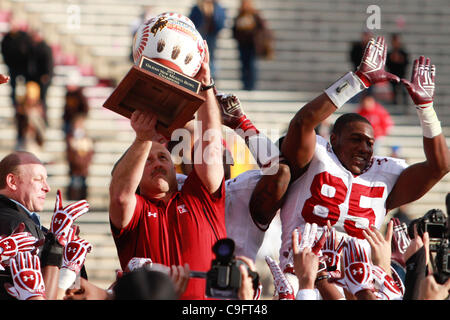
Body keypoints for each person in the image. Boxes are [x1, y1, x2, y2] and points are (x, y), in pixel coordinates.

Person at [271, 36, 449, 291]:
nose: (364, 148)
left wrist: (426, 109)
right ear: (333, 139)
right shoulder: (315, 156)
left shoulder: (384, 173)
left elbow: (439, 167)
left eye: (369, 142)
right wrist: (358, 80)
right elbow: (301, 123)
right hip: (302, 280)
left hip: (360, 287)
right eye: (356, 139)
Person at [108, 40, 226, 300]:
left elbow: (211, 145)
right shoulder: (134, 212)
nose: (158, 162)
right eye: (147, 161)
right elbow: (120, 194)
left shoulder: (200, 197)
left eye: (162, 157)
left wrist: (206, 85)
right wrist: (142, 139)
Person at [0, 150, 90, 300]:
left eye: (46, 179)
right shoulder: (20, 224)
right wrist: (59, 251)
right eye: (38, 179)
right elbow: (66, 294)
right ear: (12, 182)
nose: (47, 188)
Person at [232, 0, 268, 90]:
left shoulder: (255, 15)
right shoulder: (239, 15)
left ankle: (251, 85)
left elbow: (262, 28)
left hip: (252, 44)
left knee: (251, 65)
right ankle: (245, 84)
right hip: (242, 44)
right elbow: (234, 29)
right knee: (244, 65)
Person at [189, 0, 226, 78]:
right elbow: (192, 20)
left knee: (211, 58)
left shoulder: (217, 7)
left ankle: (211, 77)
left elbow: (220, 21)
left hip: (212, 36)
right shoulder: (197, 7)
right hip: (200, 36)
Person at [0, 19, 33, 108]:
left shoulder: (24, 36)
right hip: (12, 66)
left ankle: (25, 102)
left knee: (26, 84)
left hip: (24, 66)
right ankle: (14, 103)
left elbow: (30, 50)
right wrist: (8, 62)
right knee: (13, 85)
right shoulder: (7, 38)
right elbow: (4, 50)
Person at [65, 114, 94, 200]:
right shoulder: (70, 138)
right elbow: (70, 153)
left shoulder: (86, 139)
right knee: (74, 186)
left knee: (82, 187)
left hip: (83, 168)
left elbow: (90, 153)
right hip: (74, 168)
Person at [28, 29, 54, 125]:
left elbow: (49, 64)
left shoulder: (45, 48)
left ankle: (44, 118)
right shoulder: (33, 47)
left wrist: (46, 75)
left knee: (42, 99)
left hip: (43, 79)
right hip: (35, 78)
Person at [14, 81, 46, 151]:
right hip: (23, 141)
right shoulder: (21, 109)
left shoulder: (39, 111)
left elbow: (41, 131)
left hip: (35, 142)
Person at [386, 33, 409, 107]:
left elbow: (406, 63)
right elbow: (387, 64)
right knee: (394, 92)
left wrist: (399, 60)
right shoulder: (390, 53)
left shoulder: (403, 53)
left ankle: (405, 106)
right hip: (393, 76)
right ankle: (394, 104)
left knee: (403, 91)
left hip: (402, 75)